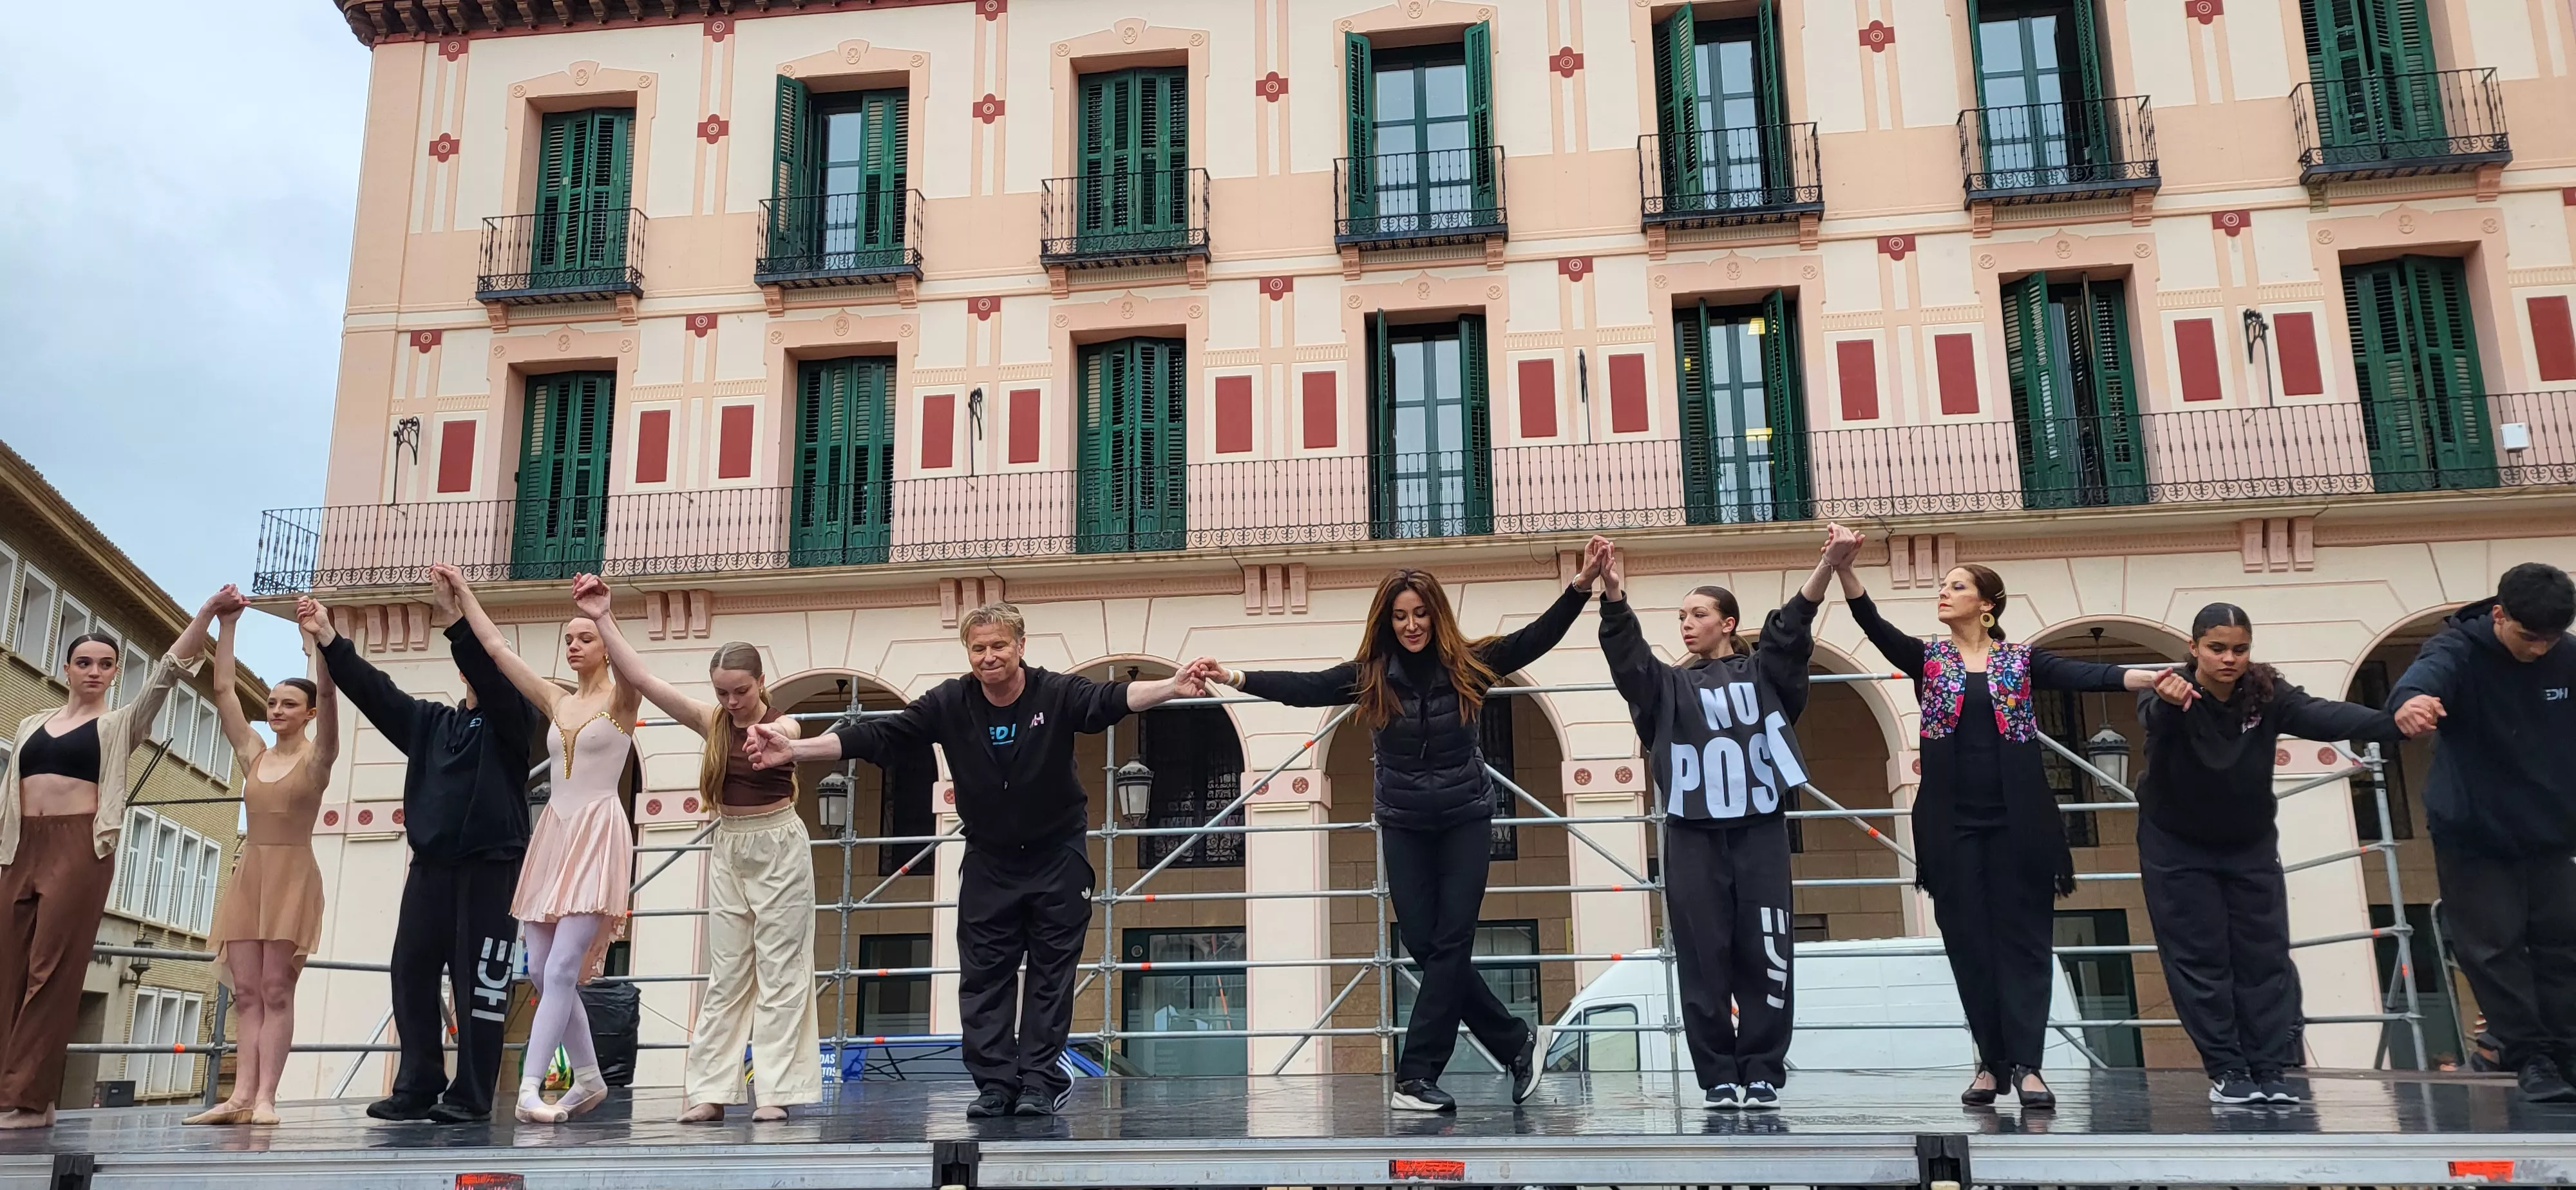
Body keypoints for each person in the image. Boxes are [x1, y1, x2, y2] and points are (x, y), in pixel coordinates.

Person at [744, 603, 1205, 1119]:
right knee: (985, 977)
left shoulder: (1054, 692)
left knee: (1051, 977)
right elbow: (881, 736)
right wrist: (795, 752)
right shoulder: (950, 702)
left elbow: (1113, 698)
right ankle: (995, 1084)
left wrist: (1170, 686)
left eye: (999, 646)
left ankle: (1039, 1081)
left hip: (1057, 857)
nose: (989, 658)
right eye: (979, 648)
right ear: (969, 653)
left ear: (1021, 647)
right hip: (990, 860)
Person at [1189, 558, 1603, 1113]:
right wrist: (1235, 677)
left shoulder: (1470, 665)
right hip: (1405, 822)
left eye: (1420, 615)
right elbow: (1304, 688)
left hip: (1465, 819)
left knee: (1452, 940)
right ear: (1387, 622)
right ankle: (1515, 1040)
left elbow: (1535, 639)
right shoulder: (1371, 674)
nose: (1412, 626)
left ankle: (1416, 1076)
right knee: (1425, 944)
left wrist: (1579, 588)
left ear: (1436, 617)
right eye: (1401, 616)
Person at [1839, 560, 2157, 1110]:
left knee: (2026, 945)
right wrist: (1844, 570)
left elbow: (2087, 675)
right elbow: (1873, 626)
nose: (1944, 593)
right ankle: (1991, 1062)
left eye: (1956, 587)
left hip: (2020, 822)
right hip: (1952, 824)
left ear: (1987, 604)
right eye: (1943, 587)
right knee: (1970, 947)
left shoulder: (2021, 661)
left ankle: (2029, 1065)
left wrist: (2149, 677)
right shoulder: (1929, 660)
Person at [1592, 526, 1859, 1110]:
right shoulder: (1667, 688)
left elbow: (1790, 632)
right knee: (1700, 955)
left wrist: (1828, 567)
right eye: (1682, 616)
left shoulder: (1765, 675)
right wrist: (1613, 593)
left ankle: (1762, 1070)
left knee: (1767, 951)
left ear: (1729, 623)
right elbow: (1629, 659)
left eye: (1698, 613)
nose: (1686, 624)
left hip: (1760, 828)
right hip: (1690, 835)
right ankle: (1717, 1075)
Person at [2136, 603, 2432, 1106]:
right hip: (2176, 845)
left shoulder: (2266, 693)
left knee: (2264, 956)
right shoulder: (2168, 690)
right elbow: (2155, 722)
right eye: (2217, 649)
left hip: (2248, 843)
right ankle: (2228, 1070)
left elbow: (2320, 714)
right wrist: (2167, 701)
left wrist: (2393, 725)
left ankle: (2270, 1069)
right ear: (2194, 649)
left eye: (2240, 649)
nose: (2229, 659)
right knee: (2200, 957)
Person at [573, 574, 818, 1124]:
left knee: (781, 970)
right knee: (727, 971)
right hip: (731, 844)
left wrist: (779, 741)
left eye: (741, 692)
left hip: (779, 842)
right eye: (723, 693)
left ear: (760, 683)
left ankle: (775, 1091)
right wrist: (604, 616)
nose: (732, 702)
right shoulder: (712, 723)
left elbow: (797, 731)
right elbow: (640, 677)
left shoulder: (781, 722)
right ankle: (710, 1090)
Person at [307, 583, 538, 1125]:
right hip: (430, 866)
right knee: (410, 970)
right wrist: (329, 638)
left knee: (478, 981)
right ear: (462, 675)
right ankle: (417, 1083)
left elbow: (491, 670)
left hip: (490, 866)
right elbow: (377, 692)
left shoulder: (515, 720)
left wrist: (457, 620)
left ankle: (472, 1093)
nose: (483, 672)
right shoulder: (432, 723)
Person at [0, 587, 225, 1130]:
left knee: (50, 971)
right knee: (7, 968)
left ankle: (29, 1101)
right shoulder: (32, 724)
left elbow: (169, 672)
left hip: (79, 847)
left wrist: (206, 615)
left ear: (114, 673)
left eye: (105, 665)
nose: (94, 672)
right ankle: (21, 1093)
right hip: (17, 847)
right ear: (67, 667)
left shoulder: (118, 723)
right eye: (84, 663)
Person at [440, 564, 640, 1124]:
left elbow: (635, 672)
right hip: (554, 830)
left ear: (604, 646)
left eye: (585, 639)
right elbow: (500, 651)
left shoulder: (622, 701)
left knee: (560, 970)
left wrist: (606, 614)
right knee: (541, 967)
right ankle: (592, 1077)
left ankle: (530, 1087)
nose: (574, 647)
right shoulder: (557, 701)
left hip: (598, 829)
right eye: (569, 639)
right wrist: (466, 597)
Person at [2388, 562, 2576, 1104]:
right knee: (2494, 946)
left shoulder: (2567, 655)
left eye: (2551, 640)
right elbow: (2419, 681)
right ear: (2499, 615)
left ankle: (2566, 1048)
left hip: (2550, 827)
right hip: (2475, 828)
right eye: (2528, 637)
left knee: (2562, 942)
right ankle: (2527, 1054)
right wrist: (2413, 703)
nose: (2539, 650)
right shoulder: (2457, 650)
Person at [184, 598, 340, 1126]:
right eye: (272, 703)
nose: (276, 710)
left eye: (288, 704)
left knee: (277, 988)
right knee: (247, 992)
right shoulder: (254, 753)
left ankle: (268, 1096)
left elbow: (332, 696)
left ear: (309, 713)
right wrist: (227, 625)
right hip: (251, 875)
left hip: (293, 874)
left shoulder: (318, 757)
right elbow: (224, 690)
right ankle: (239, 1096)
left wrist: (318, 640)